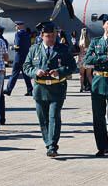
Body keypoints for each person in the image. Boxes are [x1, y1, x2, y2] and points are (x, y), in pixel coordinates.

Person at [23, 22, 76, 157]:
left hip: (57, 88)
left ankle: (52, 145)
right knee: (43, 118)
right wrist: (36, 71)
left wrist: (59, 71)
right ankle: (48, 143)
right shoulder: (34, 49)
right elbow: (26, 66)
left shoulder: (63, 49)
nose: (51, 39)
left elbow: (72, 66)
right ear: (42, 36)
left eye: (53, 36)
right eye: (48, 36)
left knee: (53, 117)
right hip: (40, 89)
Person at [83, 14, 108, 160]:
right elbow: (87, 59)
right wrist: (105, 58)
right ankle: (102, 147)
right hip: (98, 82)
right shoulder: (96, 42)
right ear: (103, 25)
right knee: (98, 117)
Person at [4, 21, 33, 96]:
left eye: (16, 25)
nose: (16, 27)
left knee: (14, 74)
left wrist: (12, 47)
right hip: (26, 57)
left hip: (19, 57)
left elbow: (17, 46)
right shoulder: (27, 34)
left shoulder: (18, 34)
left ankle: (8, 89)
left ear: (19, 26)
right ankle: (30, 90)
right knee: (26, 75)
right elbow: (29, 45)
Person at [77, 28, 92, 92]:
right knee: (89, 75)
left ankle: (81, 87)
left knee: (81, 74)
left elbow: (80, 50)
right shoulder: (89, 41)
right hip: (88, 58)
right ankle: (92, 87)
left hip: (81, 58)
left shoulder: (80, 41)